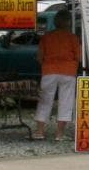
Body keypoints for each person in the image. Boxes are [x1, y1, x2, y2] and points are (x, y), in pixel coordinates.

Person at [34, 9, 81, 141]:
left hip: (49, 71)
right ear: (68, 22)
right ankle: (59, 134)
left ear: (55, 22)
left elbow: (39, 57)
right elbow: (79, 57)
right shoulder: (73, 37)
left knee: (44, 100)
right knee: (66, 102)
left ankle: (39, 132)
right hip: (68, 72)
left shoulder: (46, 37)